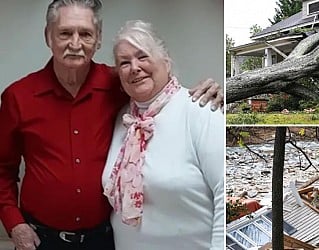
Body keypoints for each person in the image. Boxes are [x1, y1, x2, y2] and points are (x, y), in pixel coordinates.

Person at [0, 1, 223, 250]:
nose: (75, 44)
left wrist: (212, 93)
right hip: (42, 238)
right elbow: (2, 169)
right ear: (48, 36)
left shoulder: (117, 85)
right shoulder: (18, 97)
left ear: (97, 39)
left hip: (103, 240)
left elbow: (159, 91)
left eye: (85, 34)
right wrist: (14, 223)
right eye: (65, 33)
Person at [101, 20, 224, 250]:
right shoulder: (122, 119)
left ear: (166, 62)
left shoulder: (200, 110)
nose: (134, 67)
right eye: (124, 63)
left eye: (143, 56)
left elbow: (224, 192)